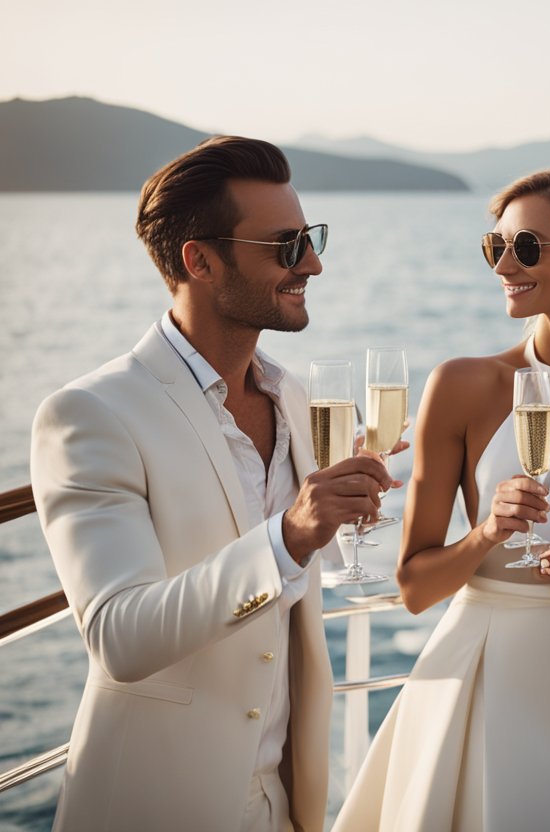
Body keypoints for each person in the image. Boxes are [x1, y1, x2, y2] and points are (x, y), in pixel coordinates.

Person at [29, 136, 398, 832]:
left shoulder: (295, 401)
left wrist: (337, 507)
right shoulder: (90, 416)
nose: (313, 263)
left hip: (285, 804)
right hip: (155, 803)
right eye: (286, 247)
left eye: (311, 239)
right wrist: (289, 535)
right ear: (200, 260)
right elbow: (119, 636)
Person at [333, 169, 550, 832]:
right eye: (496, 248)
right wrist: (488, 532)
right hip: (485, 671)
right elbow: (414, 586)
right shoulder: (463, 384)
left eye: (527, 247)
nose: (505, 266)